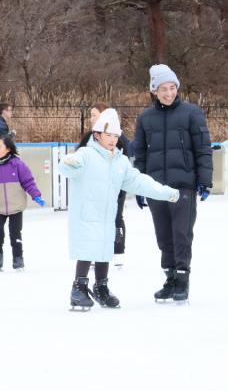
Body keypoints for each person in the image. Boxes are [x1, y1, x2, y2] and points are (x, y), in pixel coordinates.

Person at [60, 109, 179, 310]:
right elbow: (71, 166)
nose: (113, 140)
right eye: (108, 135)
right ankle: (79, 287)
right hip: (87, 213)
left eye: (116, 136)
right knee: (88, 249)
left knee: (105, 250)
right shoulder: (86, 154)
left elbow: (139, 182)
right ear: (97, 135)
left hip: (108, 214)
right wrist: (68, 162)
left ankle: (101, 288)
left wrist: (165, 192)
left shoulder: (120, 161)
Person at [133, 64, 213, 303]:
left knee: (182, 233)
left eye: (172, 88)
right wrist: (140, 185)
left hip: (183, 185)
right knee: (164, 236)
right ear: (154, 91)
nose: (168, 93)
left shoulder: (192, 113)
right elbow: (140, 154)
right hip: (156, 187)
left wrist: (204, 181)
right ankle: (170, 278)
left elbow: (203, 148)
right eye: (163, 89)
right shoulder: (146, 118)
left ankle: (182, 279)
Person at [80, 103, 131, 267]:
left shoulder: (118, 136)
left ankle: (118, 250)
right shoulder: (89, 136)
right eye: (90, 115)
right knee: (95, 219)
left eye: (94, 115)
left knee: (116, 217)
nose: (91, 118)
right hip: (94, 188)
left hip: (115, 186)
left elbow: (126, 158)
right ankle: (96, 251)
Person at [0, 135, 45, 271]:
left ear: (8, 149)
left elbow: (28, 182)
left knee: (15, 234)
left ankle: (18, 259)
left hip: (16, 207)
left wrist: (36, 196)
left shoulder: (18, 164)